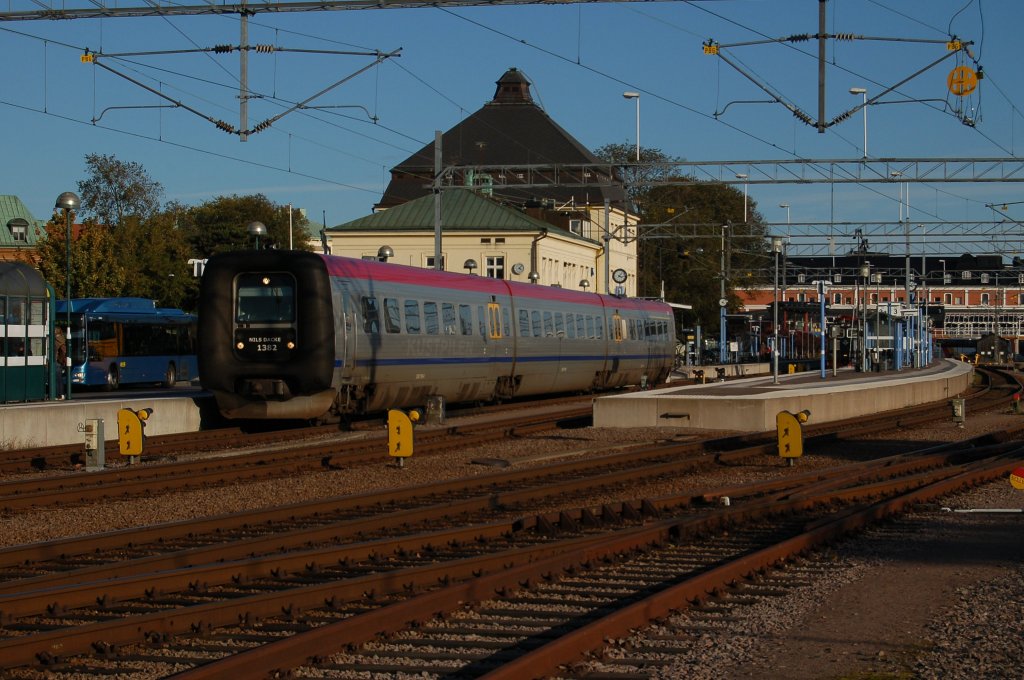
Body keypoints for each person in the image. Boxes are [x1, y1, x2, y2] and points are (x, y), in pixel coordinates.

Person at [54, 326, 67, 399]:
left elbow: (62, 351)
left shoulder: (57, 339)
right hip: (59, 361)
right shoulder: (62, 338)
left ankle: (57, 394)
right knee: (59, 379)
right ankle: (61, 394)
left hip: (56, 361)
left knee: (56, 378)